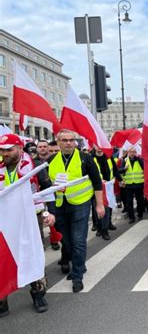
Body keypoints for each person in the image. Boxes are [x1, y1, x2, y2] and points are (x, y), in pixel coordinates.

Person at [0, 134, 56, 315]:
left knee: (32, 253)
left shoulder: (36, 166)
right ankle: (2, 299)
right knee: (2, 258)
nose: (5, 153)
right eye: (2, 150)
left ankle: (38, 294)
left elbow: (47, 191)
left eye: (9, 149)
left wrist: (49, 213)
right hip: (4, 220)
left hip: (30, 218)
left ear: (19, 148)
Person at [48, 129, 104, 293]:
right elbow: (48, 184)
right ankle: (79, 265)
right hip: (60, 205)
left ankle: (77, 275)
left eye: (71, 140)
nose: (68, 143)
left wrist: (99, 204)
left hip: (81, 203)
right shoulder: (52, 159)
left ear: (75, 142)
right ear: (58, 142)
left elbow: (97, 182)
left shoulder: (85, 158)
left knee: (79, 240)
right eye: (64, 140)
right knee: (66, 241)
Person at [34, 139, 62, 251]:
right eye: (40, 147)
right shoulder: (33, 161)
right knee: (39, 219)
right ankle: (40, 242)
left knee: (52, 216)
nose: (42, 148)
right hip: (39, 194)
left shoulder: (54, 160)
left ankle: (54, 239)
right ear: (37, 149)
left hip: (52, 193)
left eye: (44, 146)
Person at [92, 146, 122, 240]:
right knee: (99, 209)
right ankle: (102, 229)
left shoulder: (109, 157)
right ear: (93, 147)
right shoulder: (90, 158)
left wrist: (120, 180)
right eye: (97, 146)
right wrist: (100, 180)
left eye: (101, 146)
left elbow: (115, 170)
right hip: (96, 187)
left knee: (109, 207)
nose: (99, 148)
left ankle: (108, 224)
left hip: (108, 186)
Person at [119, 146, 145, 224]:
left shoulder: (140, 160)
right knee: (129, 202)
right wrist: (124, 169)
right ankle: (131, 217)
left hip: (139, 184)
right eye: (131, 152)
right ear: (128, 153)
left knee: (140, 201)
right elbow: (119, 171)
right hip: (128, 185)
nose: (132, 153)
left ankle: (140, 214)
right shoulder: (124, 161)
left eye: (134, 152)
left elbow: (145, 168)